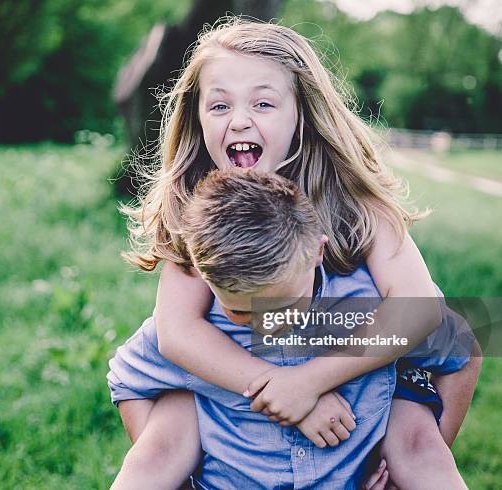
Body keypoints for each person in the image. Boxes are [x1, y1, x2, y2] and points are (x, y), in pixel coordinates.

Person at [114, 17, 480, 488]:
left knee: (422, 430)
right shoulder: (195, 212)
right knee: (165, 433)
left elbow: (419, 313)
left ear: (301, 113)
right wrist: (279, 388)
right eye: (219, 104)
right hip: (238, 400)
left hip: (360, 384)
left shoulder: (357, 206)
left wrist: (309, 382)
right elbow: (177, 333)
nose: (239, 119)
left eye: (263, 103)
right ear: (197, 115)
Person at [109, 170, 480, 489]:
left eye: (285, 306)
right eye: (239, 311)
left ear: (318, 253)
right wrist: (175, 459)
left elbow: (463, 348)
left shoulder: (359, 309)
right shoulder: (198, 332)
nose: (265, 324)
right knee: (157, 447)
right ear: (205, 279)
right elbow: (127, 379)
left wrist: (418, 453)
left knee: (422, 448)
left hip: (351, 475)